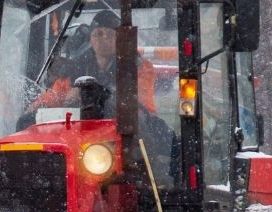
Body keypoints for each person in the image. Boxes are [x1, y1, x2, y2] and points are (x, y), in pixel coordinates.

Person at [33, 12, 179, 186]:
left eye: (110, 34)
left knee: (176, 146)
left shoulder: (138, 67)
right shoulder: (73, 69)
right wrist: (36, 110)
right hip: (81, 128)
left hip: (129, 125)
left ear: (120, 39)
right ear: (91, 39)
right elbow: (52, 97)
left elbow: (138, 100)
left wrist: (96, 94)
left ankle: (154, 182)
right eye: (98, 34)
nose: (103, 39)